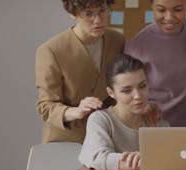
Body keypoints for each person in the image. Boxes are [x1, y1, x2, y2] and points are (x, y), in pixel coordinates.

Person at [36, 0, 124, 143]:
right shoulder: (51, 50)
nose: (97, 20)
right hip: (66, 137)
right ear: (73, 14)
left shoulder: (117, 40)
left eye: (102, 11)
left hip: (105, 133)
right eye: (88, 14)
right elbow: (46, 106)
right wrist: (76, 111)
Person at [79, 55, 169, 170]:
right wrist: (143, 161)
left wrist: (149, 160)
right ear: (111, 93)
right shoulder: (101, 119)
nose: (138, 96)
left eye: (142, 86)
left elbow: (171, 159)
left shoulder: (154, 118)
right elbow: (96, 158)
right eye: (127, 91)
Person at [124, 0, 186, 126]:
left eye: (178, 10)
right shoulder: (136, 46)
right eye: (161, 10)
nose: (169, 17)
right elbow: (128, 92)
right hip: (154, 124)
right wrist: (143, 107)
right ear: (152, 7)